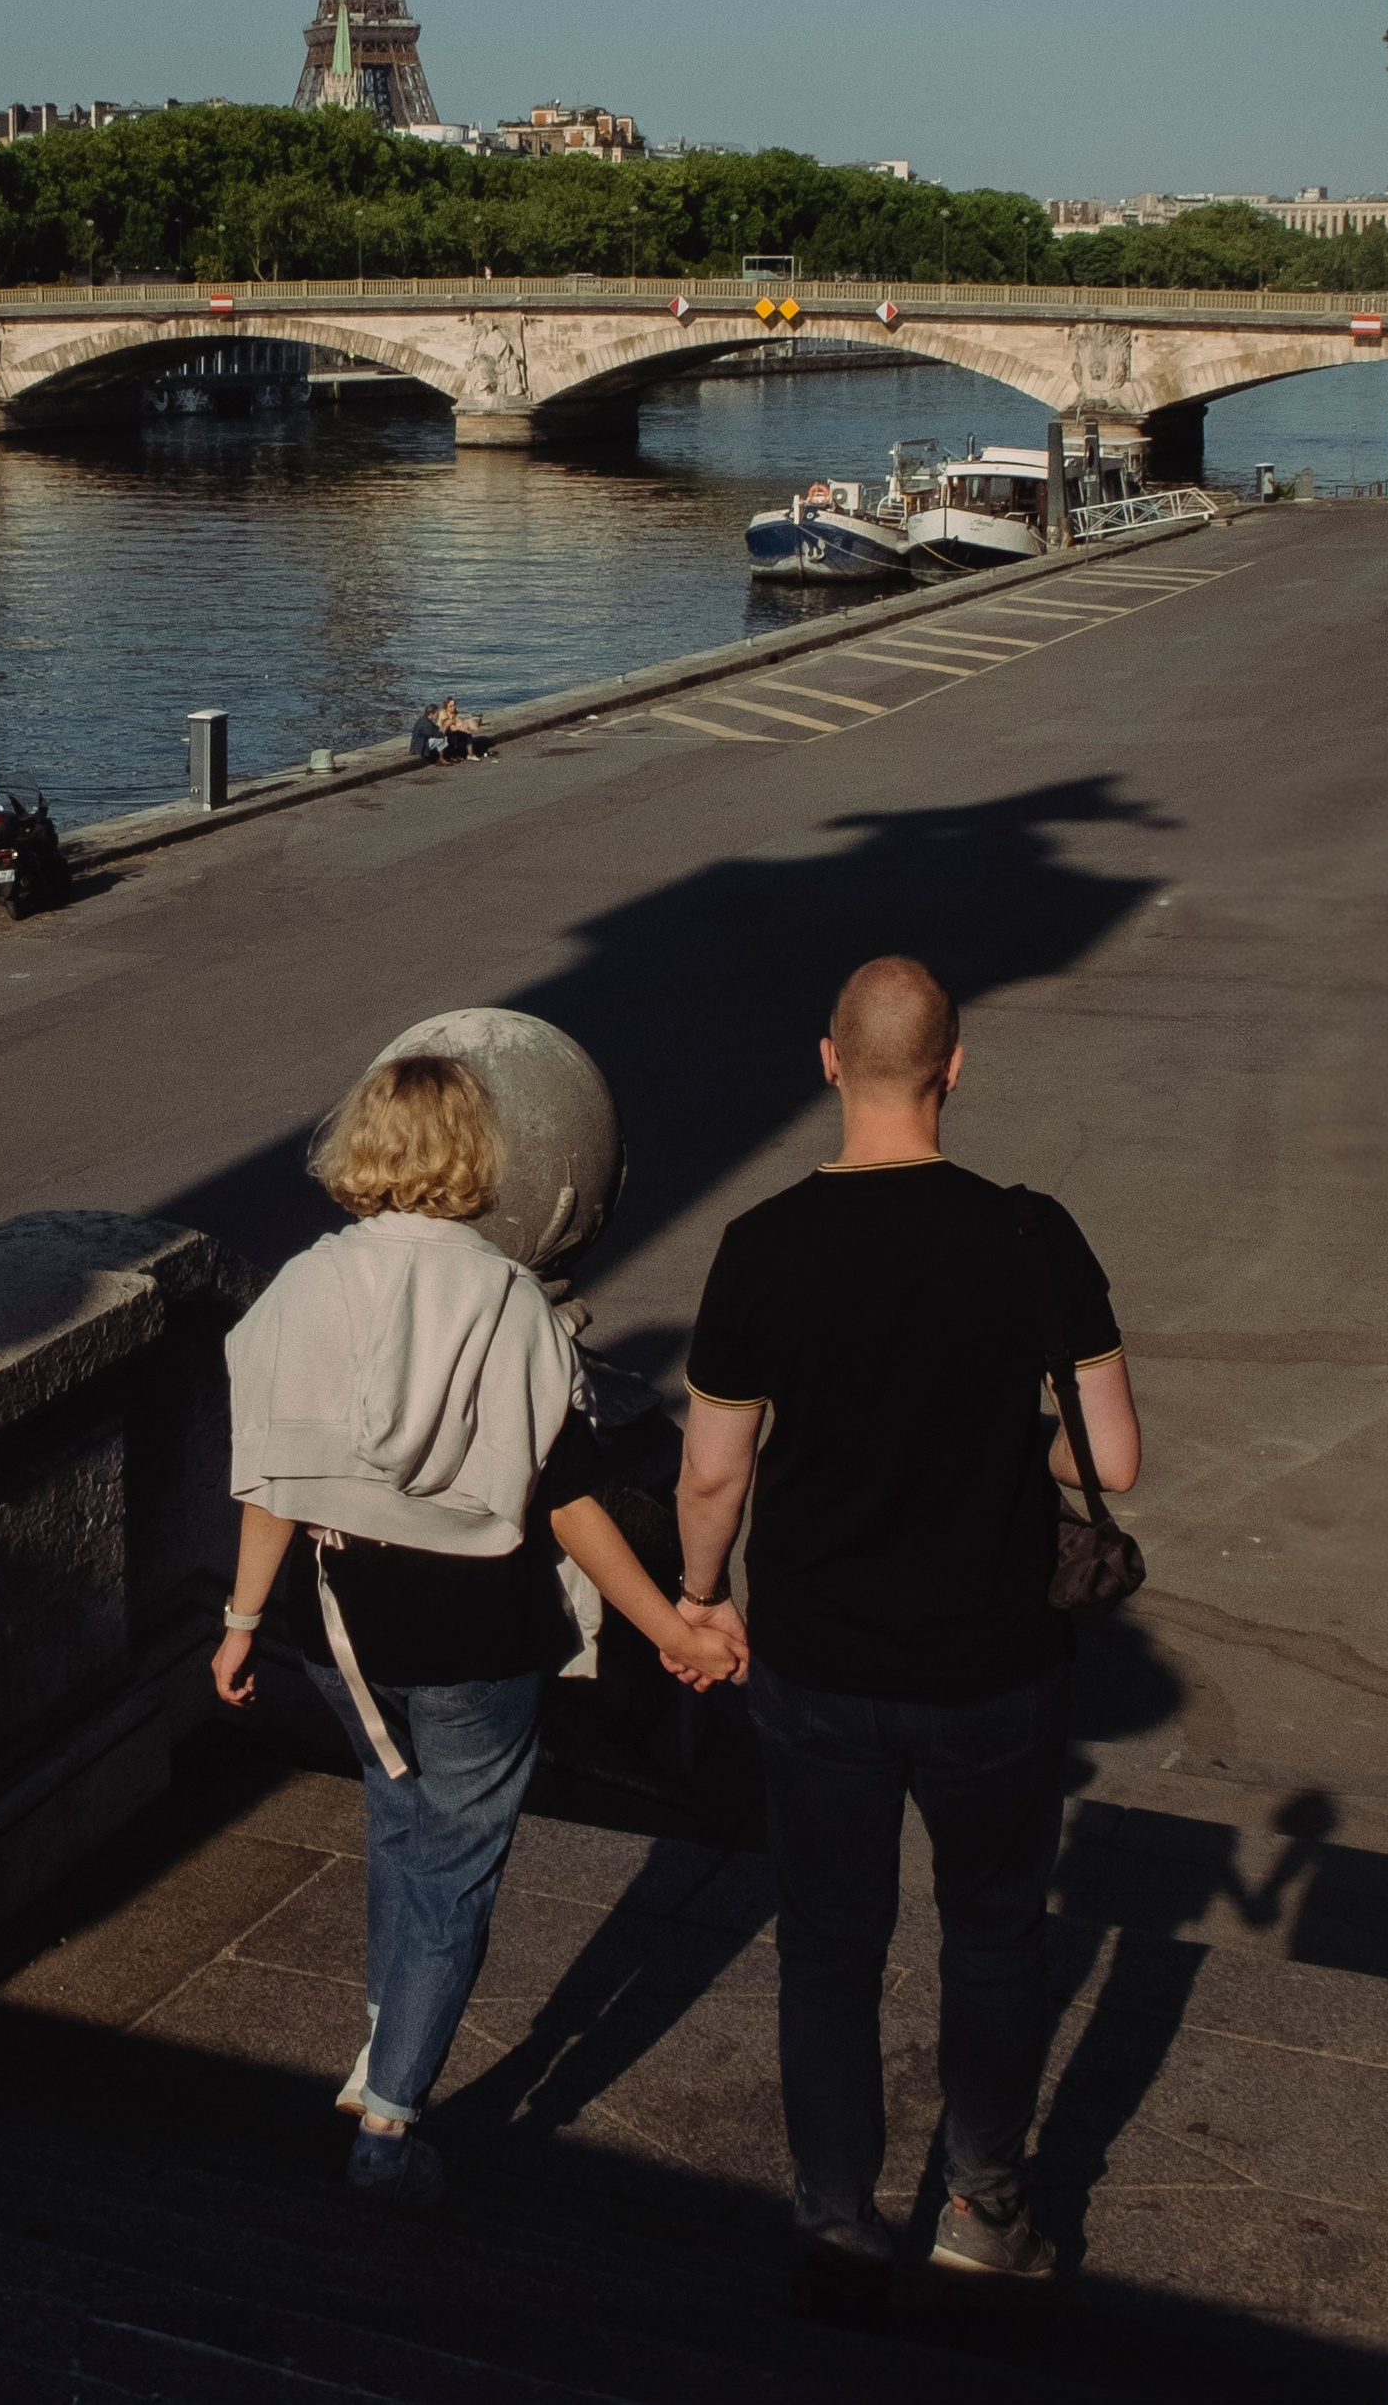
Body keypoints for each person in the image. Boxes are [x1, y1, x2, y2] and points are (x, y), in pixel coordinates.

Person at [670, 957, 1140, 2287]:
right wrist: (999, 1426)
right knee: (993, 1927)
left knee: (830, 1935)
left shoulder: (760, 1241)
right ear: (956, 1065)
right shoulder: (1031, 1234)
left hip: (818, 1655)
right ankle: (984, 2209)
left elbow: (714, 1468)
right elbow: (1112, 1447)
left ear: (830, 1061)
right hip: (993, 1657)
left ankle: (834, 2210)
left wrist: (703, 1597)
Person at [216, 1051, 744, 2210]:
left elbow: (271, 1482)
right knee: (455, 1866)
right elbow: (565, 1500)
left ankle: (377, 2047)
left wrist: (240, 1621)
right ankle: (392, 2122)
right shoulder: (506, 1299)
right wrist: (671, 1628)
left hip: (337, 1617)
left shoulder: (302, 1285)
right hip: (471, 1629)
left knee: (398, 1820)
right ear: (477, 1156)